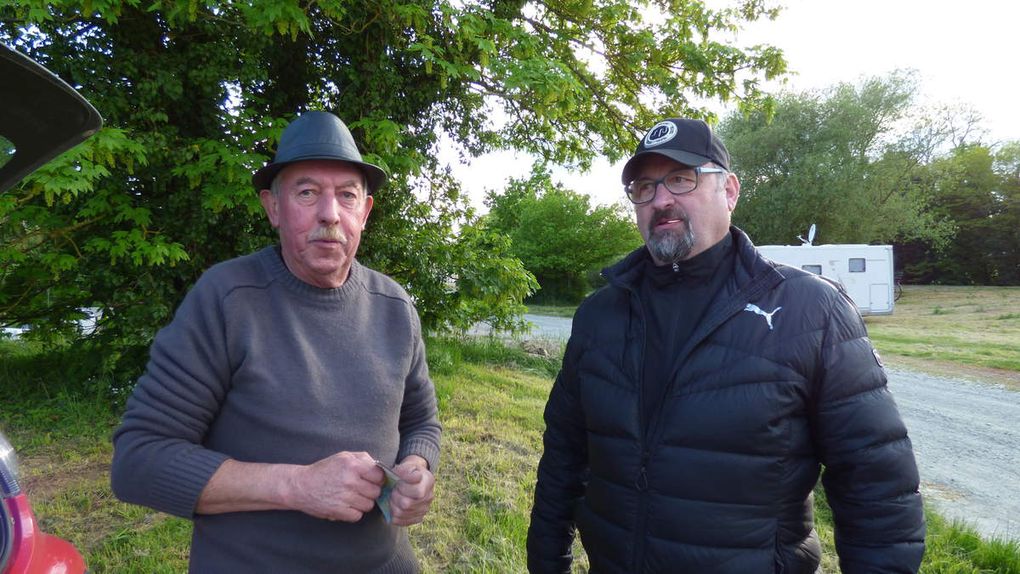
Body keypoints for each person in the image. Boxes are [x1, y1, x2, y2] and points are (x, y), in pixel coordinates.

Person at [527, 118, 925, 573]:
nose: (661, 200)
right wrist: (546, 560)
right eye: (644, 186)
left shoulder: (811, 310)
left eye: (681, 178)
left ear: (730, 190)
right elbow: (562, 457)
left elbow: (877, 486)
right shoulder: (599, 315)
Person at [111, 111, 441, 573]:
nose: (330, 213)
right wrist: (297, 485)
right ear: (273, 207)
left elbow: (422, 421)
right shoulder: (226, 299)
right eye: (307, 192)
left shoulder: (394, 306)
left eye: (347, 196)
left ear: (364, 213)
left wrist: (418, 469)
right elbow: (138, 462)